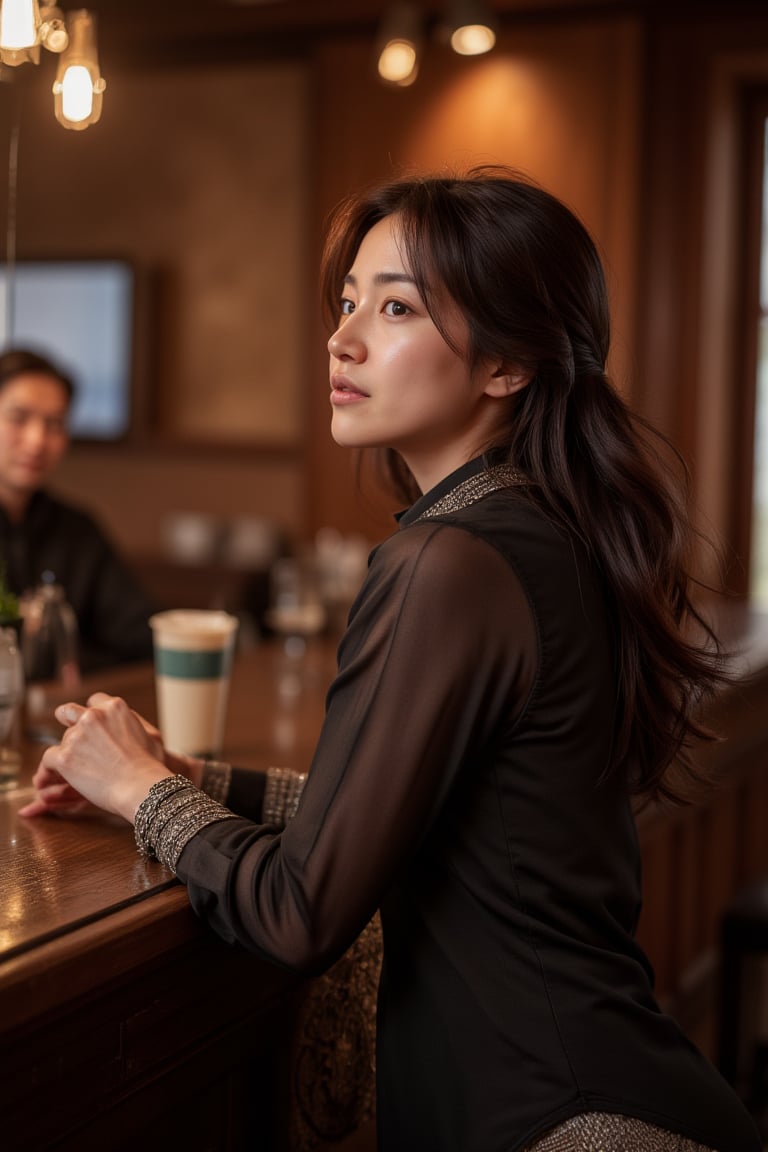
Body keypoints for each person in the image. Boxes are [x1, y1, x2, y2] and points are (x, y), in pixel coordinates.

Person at [19, 169, 761, 1151]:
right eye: (347, 301)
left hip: (556, 1119)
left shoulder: (446, 559)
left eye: (398, 306)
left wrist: (146, 793)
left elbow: (298, 912)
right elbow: (429, 818)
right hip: (600, 1085)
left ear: (509, 362)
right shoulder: (537, 525)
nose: (343, 336)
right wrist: (192, 779)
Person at [0, 347, 153, 673]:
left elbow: (136, 629)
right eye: (18, 418)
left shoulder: (76, 529)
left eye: (54, 424)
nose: (37, 440)